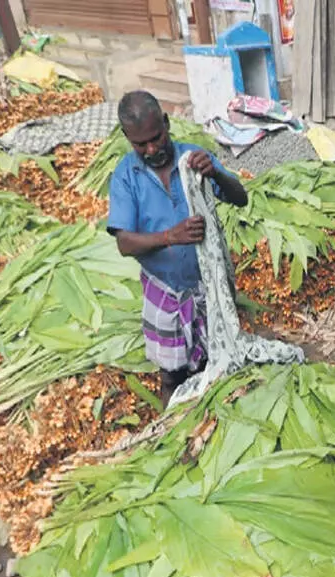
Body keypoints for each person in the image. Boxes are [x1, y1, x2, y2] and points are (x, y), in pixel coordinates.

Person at [106, 90, 248, 407]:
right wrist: (169, 236)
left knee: (214, 363)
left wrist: (216, 174)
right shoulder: (126, 177)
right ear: (128, 139)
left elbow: (240, 198)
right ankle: (173, 427)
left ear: (167, 123)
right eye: (141, 144)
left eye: (156, 138)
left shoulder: (193, 158)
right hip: (164, 291)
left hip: (206, 285)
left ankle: (211, 416)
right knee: (171, 372)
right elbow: (124, 242)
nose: (152, 149)